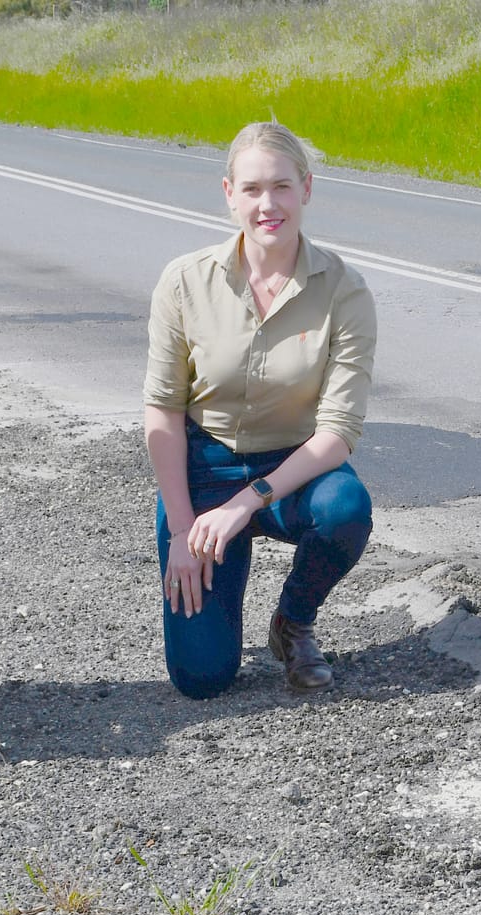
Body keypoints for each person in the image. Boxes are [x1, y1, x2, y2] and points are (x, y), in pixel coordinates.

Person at [143, 120, 375, 697]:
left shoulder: (345, 291)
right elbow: (163, 412)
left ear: (307, 190)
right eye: (251, 190)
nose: (267, 204)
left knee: (345, 506)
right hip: (204, 470)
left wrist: (247, 503)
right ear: (229, 195)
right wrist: (181, 528)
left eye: (282, 187)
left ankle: (292, 622)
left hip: (295, 471)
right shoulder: (184, 282)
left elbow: (338, 435)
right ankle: (217, 610)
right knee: (202, 681)